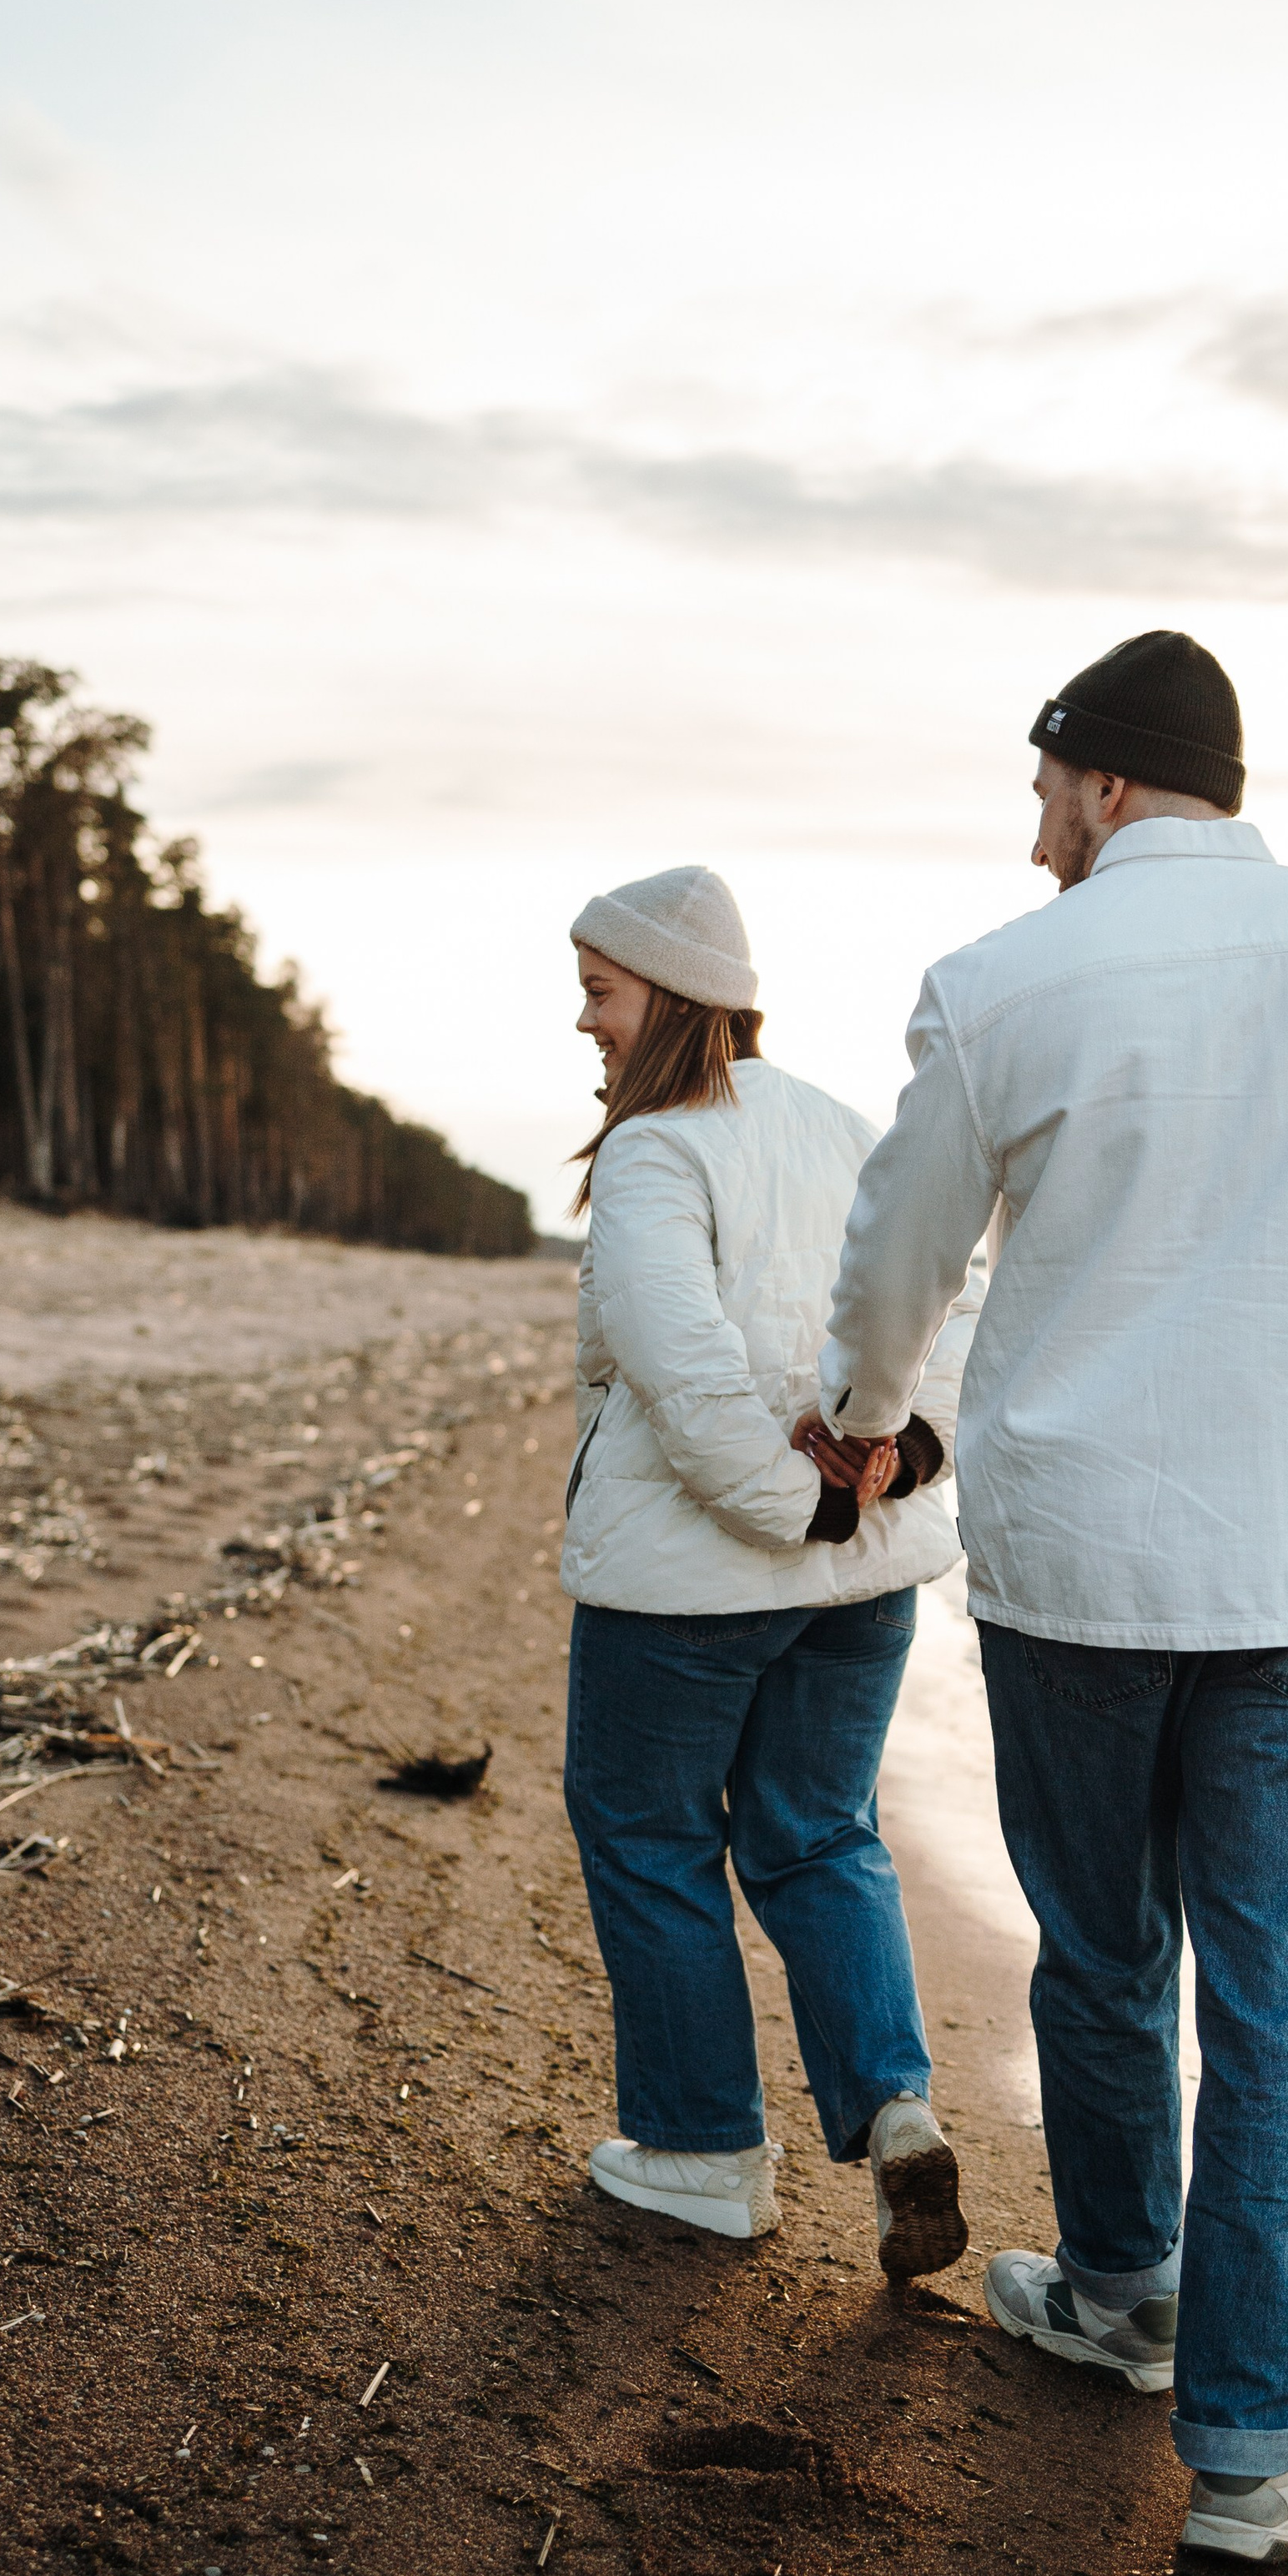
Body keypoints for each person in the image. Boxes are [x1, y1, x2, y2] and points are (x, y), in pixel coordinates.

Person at [816, 631, 1288, 2559]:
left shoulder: (998, 985)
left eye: (1038, 796)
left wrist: (856, 1416)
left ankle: (1122, 2294)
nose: (1028, 840)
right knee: (1275, 2019)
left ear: (1096, 780)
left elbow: (893, 1248)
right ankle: (1245, 2463)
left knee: (1097, 1958)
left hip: (1078, 1578)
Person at [559, 863, 980, 2277]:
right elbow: (961, 1304)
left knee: (649, 1831)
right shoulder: (848, 1128)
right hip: (860, 1585)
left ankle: (702, 2156)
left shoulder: (656, 1148)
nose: (586, 1025)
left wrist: (797, 1503)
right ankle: (897, 2113)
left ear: (671, 997)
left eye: (600, 994)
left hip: (694, 1588)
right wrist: (899, 1461)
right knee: (817, 1833)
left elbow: (679, 1368)